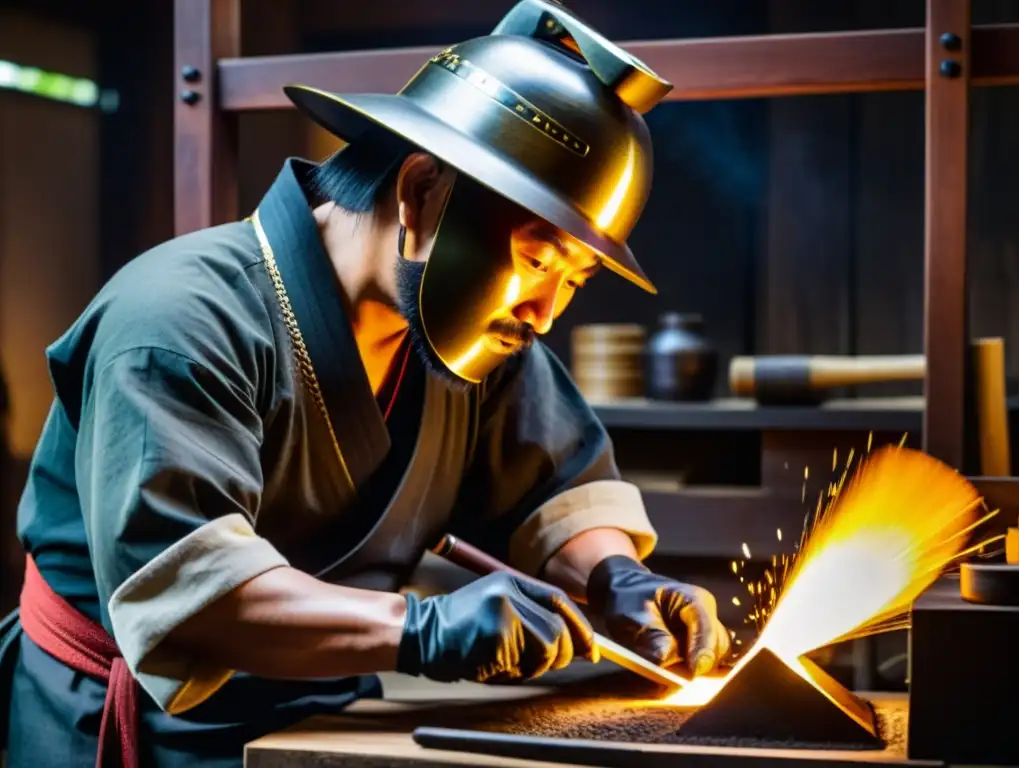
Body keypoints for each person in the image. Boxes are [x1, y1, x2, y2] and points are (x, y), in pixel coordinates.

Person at [0, 2, 730, 766]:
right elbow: (191, 598)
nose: (544, 312)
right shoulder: (176, 321)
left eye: (573, 281)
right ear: (420, 193)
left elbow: (552, 486)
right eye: (537, 260)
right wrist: (424, 631)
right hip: (134, 729)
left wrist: (618, 576)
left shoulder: (470, 336)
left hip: (324, 720)